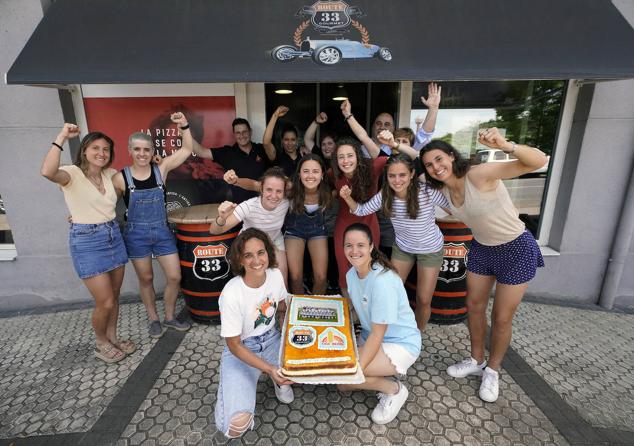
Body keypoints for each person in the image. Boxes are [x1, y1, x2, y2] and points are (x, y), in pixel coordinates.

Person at [420, 128, 547, 403]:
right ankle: (476, 359)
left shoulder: (477, 174)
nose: (435, 167)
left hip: (516, 247)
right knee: (474, 307)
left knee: (501, 317)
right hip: (480, 248)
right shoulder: (444, 190)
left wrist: (507, 144)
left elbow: (538, 162)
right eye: (429, 164)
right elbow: (414, 163)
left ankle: (493, 369)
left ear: (452, 157)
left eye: (440, 159)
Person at [40, 124, 131, 363]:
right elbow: (48, 172)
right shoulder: (72, 173)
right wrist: (61, 137)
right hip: (87, 241)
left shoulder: (110, 175)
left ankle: (112, 337)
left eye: (106, 149)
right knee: (105, 301)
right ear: (84, 150)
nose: (102, 153)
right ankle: (101, 343)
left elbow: (135, 181)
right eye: (96, 148)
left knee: (115, 294)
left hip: (113, 235)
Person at [340, 152, 450, 331]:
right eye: (392, 175)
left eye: (402, 175)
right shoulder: (386, 195)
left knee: (423, 299)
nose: (397, 180)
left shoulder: (427, 191)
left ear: (412, 174)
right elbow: (361, 210)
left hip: (430, 249)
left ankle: (417, 336)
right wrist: (346, 197)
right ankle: (389, 330)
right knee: (390, 291)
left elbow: (453, 207)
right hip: (403, 248)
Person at [112, 112, 193, 338]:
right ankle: (153, 319)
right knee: (146, 278)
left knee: (175, 277)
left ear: (152, 152)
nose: (142, 153)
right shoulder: (120, 178)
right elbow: (104, 203)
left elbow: (186, 150)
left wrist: (184, 125)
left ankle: (169, 317)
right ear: (129, 151)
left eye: (146, 149)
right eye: (137, 149)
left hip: (162, 231)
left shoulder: (162, 169)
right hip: (135, 234)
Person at [337, 223, 421, 425]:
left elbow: (378, 334)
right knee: (336, 368)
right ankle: (374, 375)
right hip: (371, 336)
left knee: (342, 380)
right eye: (349, 245)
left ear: (371, 246)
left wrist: (356, 371)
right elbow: (358, 311)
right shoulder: (351, 274)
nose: (354, 251)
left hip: (400, 343)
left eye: (360, 245)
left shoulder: (382, 281)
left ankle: (394, 390)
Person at [214, 228, 294, 438]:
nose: (256, 260)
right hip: (242, 349)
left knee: (307, 365)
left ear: (268, 253)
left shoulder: (275, 275)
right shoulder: (231, 294)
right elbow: (234, 345)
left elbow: (284, 308)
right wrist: (269, 368)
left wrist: (293, 340)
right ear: (239, 260)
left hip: (273, 339)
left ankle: (279, 380)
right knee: (236, 426)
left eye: (261, 252)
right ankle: (232, 390)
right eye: (248, 255)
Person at [210, 167, 289, 284]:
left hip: (274, 239)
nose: (274, 195)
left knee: (282, 281)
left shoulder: (286, 202)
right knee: (254, 281)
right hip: (249, 245)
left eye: (279, 191)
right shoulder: (248, 206)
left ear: (284, 192)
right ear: (261, 189)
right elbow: (214, 230)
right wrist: (221, 218)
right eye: (269, 190)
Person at [330, 134, 387, 297]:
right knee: (344, 268)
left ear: (357, 156)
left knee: (369, 267)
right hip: (343, 226)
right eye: (341, 157)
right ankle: (349, 314)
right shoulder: (333, 174)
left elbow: (392, 160)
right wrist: (334, 193)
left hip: (369, 224)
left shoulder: (371, 167)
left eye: (350, 155)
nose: (346, 161)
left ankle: (364, 311)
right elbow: (324, 187)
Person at [191, 118, 274, 203]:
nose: (241, 135)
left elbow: (268, 143)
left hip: (264, 205)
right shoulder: (227, 153)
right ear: (234, 135)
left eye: (244, 132)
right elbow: (201, 152)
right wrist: (184, 130)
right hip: (240, 208)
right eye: (238, 133)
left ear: (250, 132)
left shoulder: (261, 149)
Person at [284, 154, 332, 295]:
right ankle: (299, 309)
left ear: (322, 174)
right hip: (294, 231)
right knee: (296, 276)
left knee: (321, 276)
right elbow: (259, 185)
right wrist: (236, 181)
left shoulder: (328, 192)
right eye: (306, 171)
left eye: (315, 171)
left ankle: (316, 308)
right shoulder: (290, 189)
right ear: (299, 174)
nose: (310, 176)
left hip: (318, 231)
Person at [359, 82, 441, 158]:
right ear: (373, 126)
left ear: (393, 129)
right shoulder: (362, 148)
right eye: (378, 123)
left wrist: (433, 109)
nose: (382, 127)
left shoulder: (398, 146)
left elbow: (424, 134)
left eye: (387, 124)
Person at [263, 106, 302, 177]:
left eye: (293, 139)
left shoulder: (303, 156)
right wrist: (275, 115)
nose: (289, 143)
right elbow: (266, 143)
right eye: (286, 139)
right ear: (282, 141)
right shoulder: (277, 157)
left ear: (297, 141)